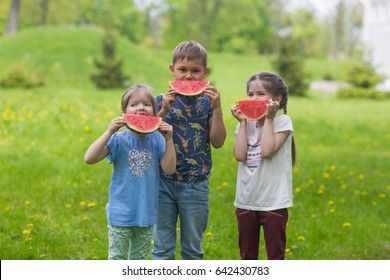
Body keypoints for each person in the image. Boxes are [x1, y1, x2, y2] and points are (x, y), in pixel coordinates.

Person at [151, 40, 226, 260]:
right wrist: (163, 111)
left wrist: (218, 108)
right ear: (172, 70)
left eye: (196, 71)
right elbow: (146, 136)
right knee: (162, 248)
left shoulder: (207, 104)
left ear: (206, 72)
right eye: (182, 70)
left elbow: (218, 141)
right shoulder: (158, 101)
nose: (188, 77)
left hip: (196, 185)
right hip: (162, 183)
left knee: (193, 249)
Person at [84, 84, 176, 260]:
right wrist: (109, 131)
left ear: (155, 112)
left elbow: (169, 169)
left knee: (139, 259)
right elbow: (89, 158)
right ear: (123, 112)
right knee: (117, 258)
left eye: (147, 104)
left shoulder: (157, 138)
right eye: (134, 104)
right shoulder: (118, 140)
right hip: (120, 214)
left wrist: (169, 140)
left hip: (146, 214)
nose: (141, 107)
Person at [230, 71, 296, 260]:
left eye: (261, 94)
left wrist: (268, 118)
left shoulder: (283, 122)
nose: (254, 98)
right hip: (246, 199)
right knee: (247, 256)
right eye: (250, 94)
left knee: (275, 256)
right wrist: (243, 122)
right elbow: (239, 155)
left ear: (277, 99)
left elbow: (267, 151)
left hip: (273, 201)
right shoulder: (245, 125)